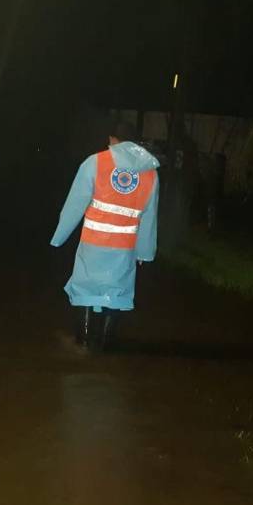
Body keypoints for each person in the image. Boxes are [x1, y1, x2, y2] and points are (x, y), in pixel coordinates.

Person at [50, 121, 160, 350]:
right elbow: (149, 217)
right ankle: (106, 346)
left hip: (93, 244)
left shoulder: (95, 162)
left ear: (112, 139)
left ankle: (83, 344)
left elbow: (75, 204)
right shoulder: (150, 173)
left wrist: (59, 237)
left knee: (85, 289)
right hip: (125, 248)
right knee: (117, 293)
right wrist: (145, 253)